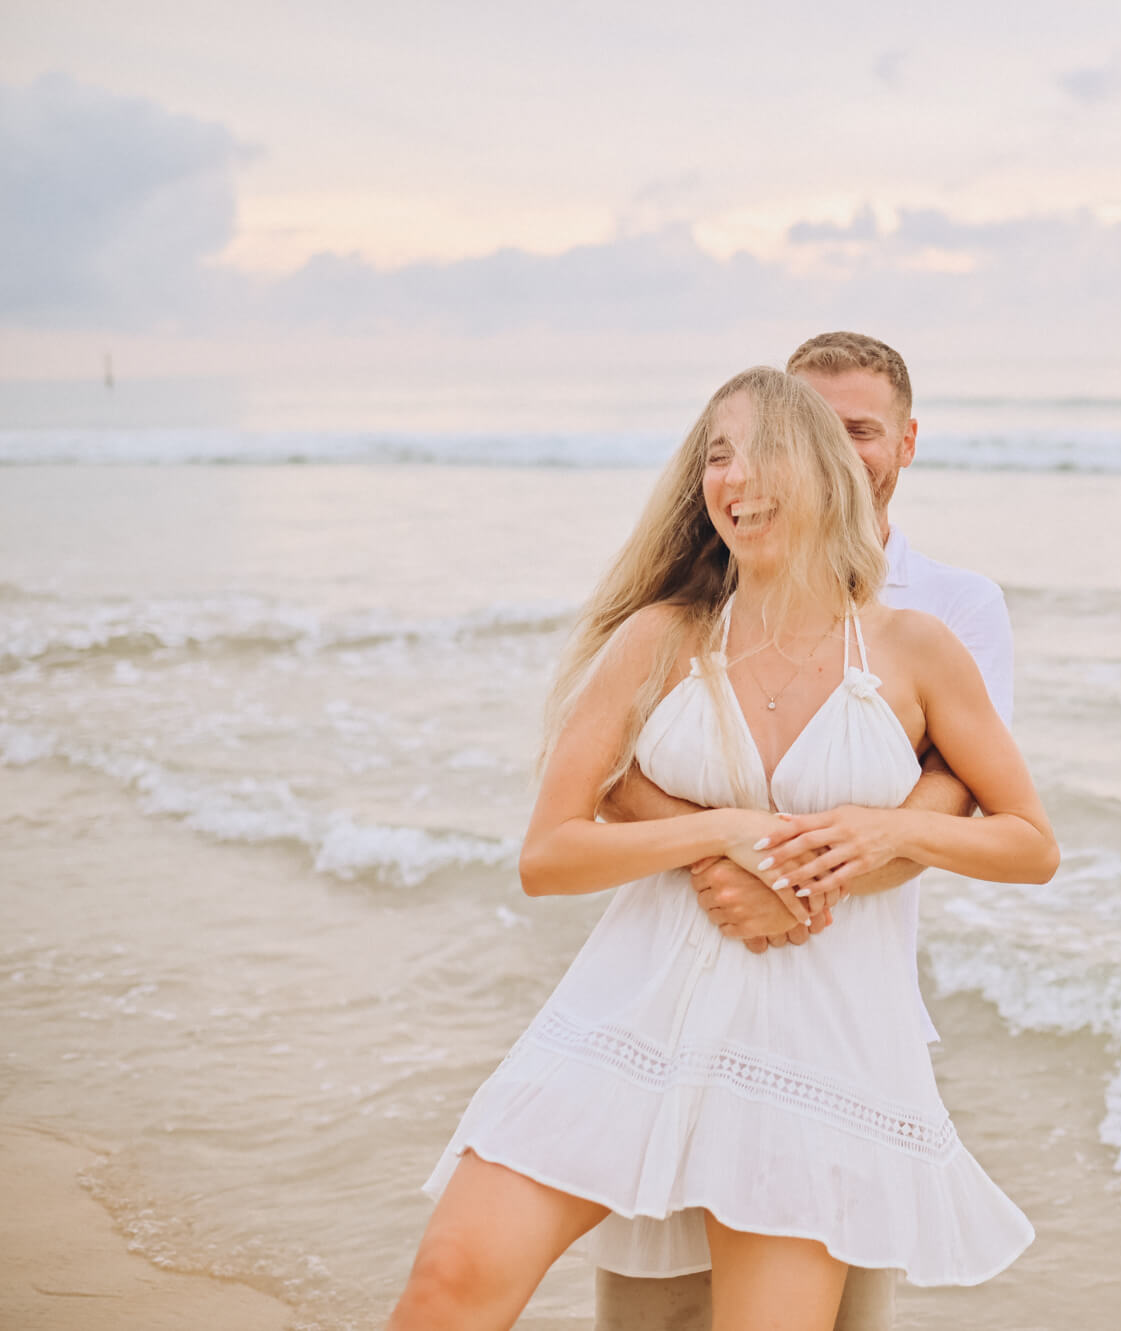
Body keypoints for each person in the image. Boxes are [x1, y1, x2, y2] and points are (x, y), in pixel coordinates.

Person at [387, 366, 1056, 1331]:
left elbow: (1030, 842)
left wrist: (891, 830)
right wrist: (719, 833)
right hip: (632, 1008)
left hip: (819, 1038)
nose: (736, 478)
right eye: (716, 454)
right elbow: (549, 855)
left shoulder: (918, 645)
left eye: (763, 451)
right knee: (448, 1284)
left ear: (827, 469)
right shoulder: (662, 636)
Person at [594, 332, 1012, 1331]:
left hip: (845, 1001)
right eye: (806, 426)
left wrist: (815, 876)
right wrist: (722, 847)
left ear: (906, 442)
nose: (831, 449)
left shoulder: (949, 606)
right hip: (684, 989)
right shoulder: (708, 580)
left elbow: (959, 781)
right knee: (651, 1308)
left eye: (858, 429)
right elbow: (612, 772)